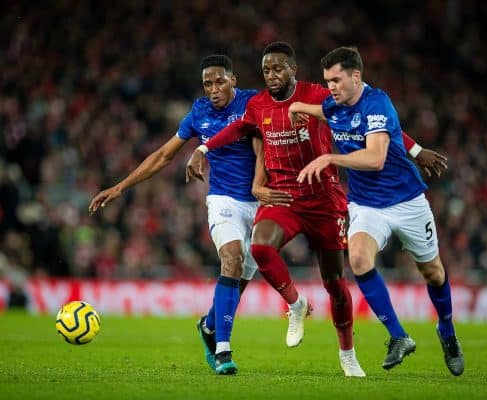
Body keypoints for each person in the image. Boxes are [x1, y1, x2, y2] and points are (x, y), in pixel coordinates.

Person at [186, 41, 446, 377]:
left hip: (325, 199)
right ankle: (296, 304)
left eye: (278, 68)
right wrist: (203, 148)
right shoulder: (258, 105)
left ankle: (348, 354)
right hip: (285, 197)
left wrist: (416, 150)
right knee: (260, 247)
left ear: (293, 69)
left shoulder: (317, 95)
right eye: (266, 70)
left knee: (335, 283)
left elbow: (371, 119)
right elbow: (236, 129)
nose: (272, 75)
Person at [289, 46, 464, 376]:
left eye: (337, 80)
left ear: (356, 76)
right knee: (357, 259)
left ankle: (447, 330)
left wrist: (330, 158)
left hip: (407, 202)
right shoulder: (335, 103)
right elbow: (328, 112)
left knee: (434, 273)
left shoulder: (377, 103)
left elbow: (375, 158)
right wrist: (301, 107)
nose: (331, 88)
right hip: (367, 205)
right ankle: (399, 337)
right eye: (327, 81)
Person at [89, 55, 265, 375]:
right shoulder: (199, 112)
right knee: (232, 259)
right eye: (207, 84)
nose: (213, 89)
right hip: (224, 200)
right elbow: (163, 156)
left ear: (233, 80)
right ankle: (223, 350)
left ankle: (209, 327)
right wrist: (120, 187)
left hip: (261, 202)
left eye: (219, 82)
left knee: (240, 280)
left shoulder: (254, 101)